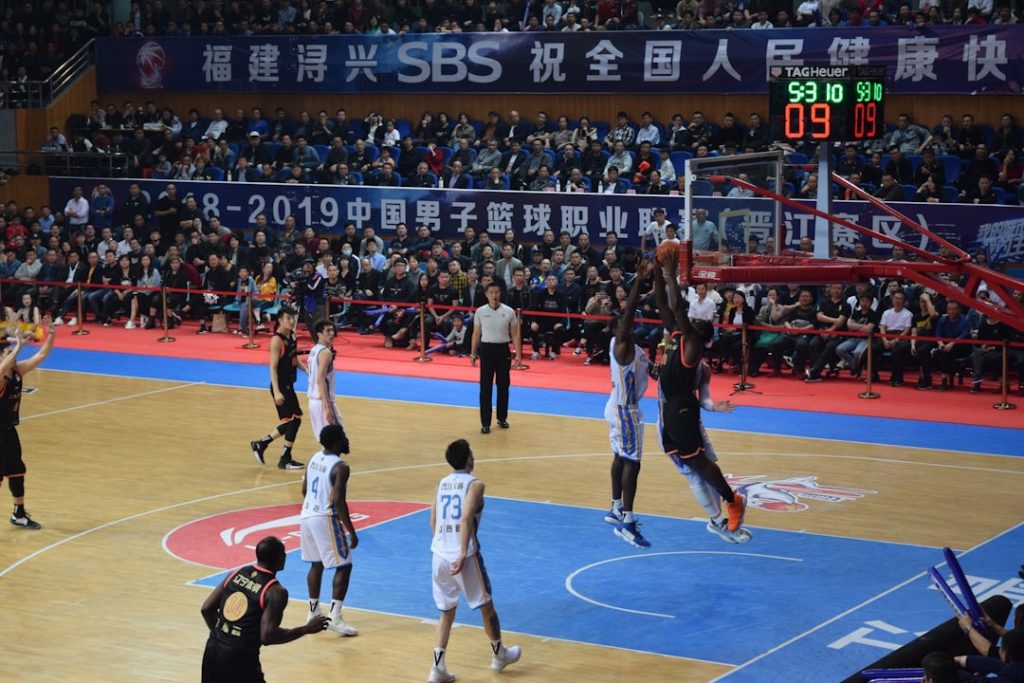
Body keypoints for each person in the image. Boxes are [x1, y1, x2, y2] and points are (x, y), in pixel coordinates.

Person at [653, 254, 747, 534]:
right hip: (669, 410)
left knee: (697, 461)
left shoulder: (693, 345)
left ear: (700, 335)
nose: (691, 321)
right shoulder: (679, 337)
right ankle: (719, 513)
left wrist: (670, 272)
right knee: (691, 462)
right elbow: (664, 306)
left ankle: (732, 501)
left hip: (682, 407)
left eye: (695, 322)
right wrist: (656, 271)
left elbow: (677, 308)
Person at [427, 439, 521, 683]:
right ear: (468, 458)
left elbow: (433, 519)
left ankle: (437, 668)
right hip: (465, 556)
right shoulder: (476, 484)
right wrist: (460, 552)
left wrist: (443, 545)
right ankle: (499, 655)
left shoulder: (441, 483)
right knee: (486, 606)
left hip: (438, 554)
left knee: (446, 612)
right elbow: (466, 518)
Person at [200, 536, 329, 683]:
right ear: (280, 558)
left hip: (212, 650)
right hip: (239, 657)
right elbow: (268, 636)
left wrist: (221, 636)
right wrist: (306, 629)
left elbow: (206, 609)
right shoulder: (276, 592)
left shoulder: (236, 573)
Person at [604, 260, 653, 548]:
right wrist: (639, 281)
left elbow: (649, 372)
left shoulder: (635, 349)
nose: (630, 323)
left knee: (620, 456)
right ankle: (628, 522)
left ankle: (615, 508)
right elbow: (631, 309)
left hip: (617, 404)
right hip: (625, 408)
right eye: (624, 323)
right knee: (632, 462)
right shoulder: (621, 345)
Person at [301, 424, 359, 637]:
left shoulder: (313, 458)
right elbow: (339, 502)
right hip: (325, 517)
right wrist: (351, 531)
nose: (346, 440)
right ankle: (335, 616)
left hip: (306, 515)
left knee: (316, 564)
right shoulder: (341, 467)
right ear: (336, 442)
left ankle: (313, 612)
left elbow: (304, 490)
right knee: (344, 565)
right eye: (343, 437)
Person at [0, 317, 55, 530]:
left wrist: (51, 335)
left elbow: (41, 355)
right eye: (8, 353)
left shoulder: (17, 372)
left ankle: (19, 514)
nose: (12, 355)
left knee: (17, 470)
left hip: (8, 431)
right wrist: (18, 346)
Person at [250, 305, 307, 470]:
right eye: (288, 318)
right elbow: (273, 368)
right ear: (280, 320)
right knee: (295, 420)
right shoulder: (276, 340)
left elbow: (294, 358)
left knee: (293, 420)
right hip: (280, 386)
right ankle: (284, 458)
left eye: (293, 318)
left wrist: (307, 370)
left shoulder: (293, 335)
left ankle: (261, 444)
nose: (292, 321)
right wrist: (276, 391)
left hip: (289, 384)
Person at [470, 282, 521, 434]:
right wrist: (473, 353)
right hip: (486, 350)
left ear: (500, 293)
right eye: (491, 292)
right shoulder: (480, 311)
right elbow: (476, 333)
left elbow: (515, 335)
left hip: (503, 350)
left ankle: (502, 417)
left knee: (503, 386)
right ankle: (485, 422)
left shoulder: (509, 311)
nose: (494, 295)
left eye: (496, 292)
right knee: (485, 387)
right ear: (486, 294)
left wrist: (518, 354)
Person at [307, 319, 342, 441]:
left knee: (326, 441)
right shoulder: (326, 353)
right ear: (319, 334)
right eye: (328, 331)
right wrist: (327, 406)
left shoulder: (314, 350)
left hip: (313, 402)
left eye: (332, 330)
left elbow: (314, 374)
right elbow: (320, 379)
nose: (332, 333)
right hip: (322, 402)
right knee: (339, 441)